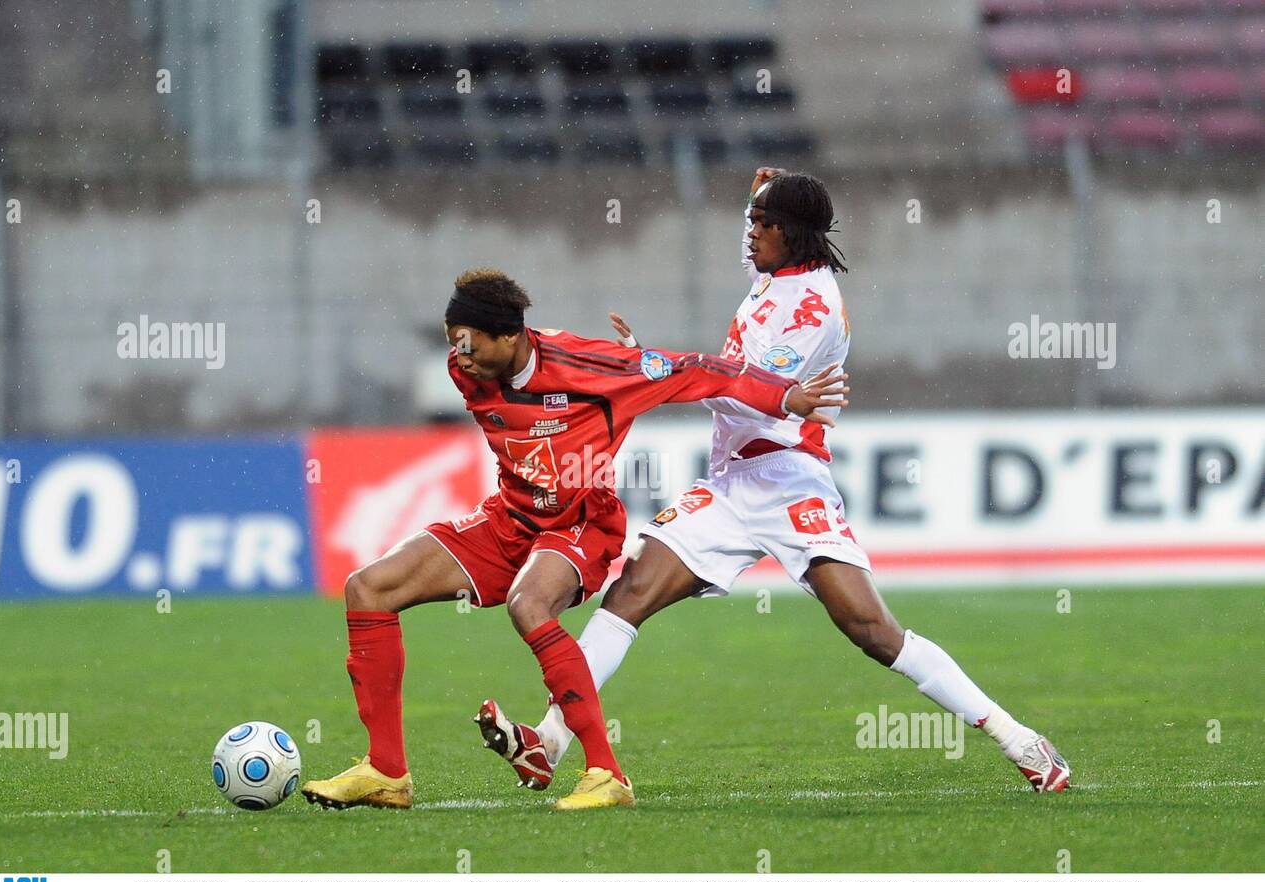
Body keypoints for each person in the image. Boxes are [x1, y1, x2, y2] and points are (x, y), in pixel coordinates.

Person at [478, 170, 1071, 805]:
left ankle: (1019, 739)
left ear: (789, 233)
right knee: (628, 596)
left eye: (760, 224)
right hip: (732, 484)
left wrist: (647, 374)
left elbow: (756, 400)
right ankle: (549, 743)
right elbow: (741, 362)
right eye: (750, 221)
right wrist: (650, 364)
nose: (749, 234)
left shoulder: (809, 308)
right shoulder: (778, 278)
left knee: (872, 631)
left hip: (788, 482)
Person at [301, 266, 848, 811]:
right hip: (509, 520)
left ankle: (606, 774)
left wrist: (783, 397)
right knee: (367, 588)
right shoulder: (464, 371)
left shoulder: (587, 364)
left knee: (529, 604)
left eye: (470, 344)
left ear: (511, 336)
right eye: (453, 343)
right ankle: (387, 772)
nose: (459, 357)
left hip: (581, 521)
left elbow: (695, 368)